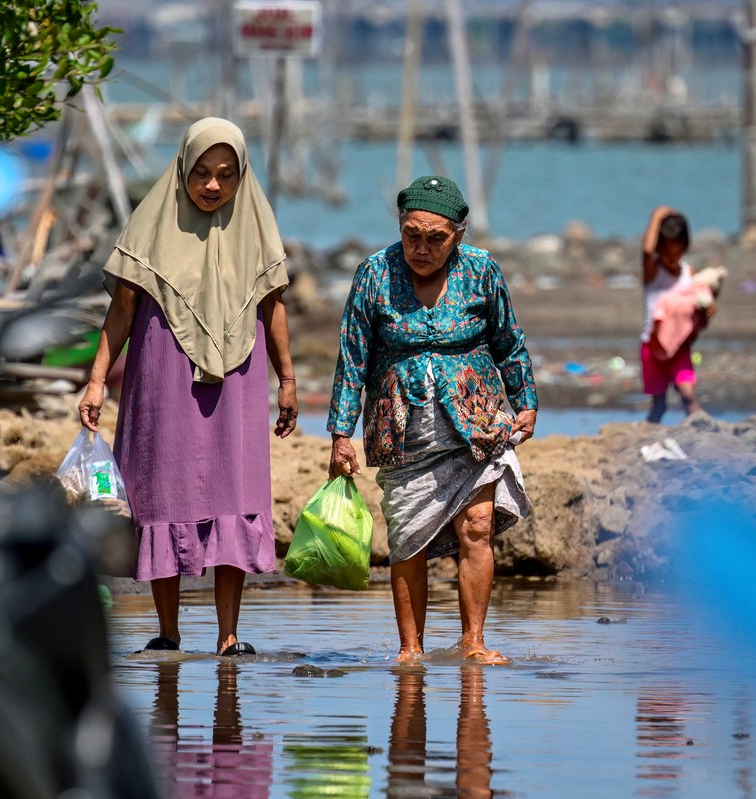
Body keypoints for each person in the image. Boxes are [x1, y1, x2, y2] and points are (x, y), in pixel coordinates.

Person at [79, 118, 298, 656]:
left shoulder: (256, 226)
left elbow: (272, 306)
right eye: (201, 173)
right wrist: (94, 380)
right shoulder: (151, 224)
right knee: (162, 493)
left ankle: (229, 635)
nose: (213, 186)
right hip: (161, 373)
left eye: (226, 175)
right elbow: (122, 309)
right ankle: (167, 631)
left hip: (239, 378)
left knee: (234, 491)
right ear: (182, 169)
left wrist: (288, 378)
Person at [326, 175, 538, 664]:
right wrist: (341, 434)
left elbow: (509, 340)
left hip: (476, 421)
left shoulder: (483, 271)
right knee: (409, 536)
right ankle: (410, 648)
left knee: (478, 527)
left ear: (458, 235)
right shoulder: (373, 274)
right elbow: (352, 359)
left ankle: (474, 641)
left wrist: (525, 400)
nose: (420, 248)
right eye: (410, 235)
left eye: (435, 238)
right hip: (402, 429)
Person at [641, 206, 713, 424]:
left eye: (677, 251)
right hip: (653, 348)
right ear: (660, 249)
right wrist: (656, 216)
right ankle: (647, 440)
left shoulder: (688, 274)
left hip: (680, 348)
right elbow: (646, 251)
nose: (672, 258)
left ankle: (702, 435)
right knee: (659, 405)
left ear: (686, 247)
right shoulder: (653, 272)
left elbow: (696, 315)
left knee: (689, 396)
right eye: (667, 252)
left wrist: (707, 312)